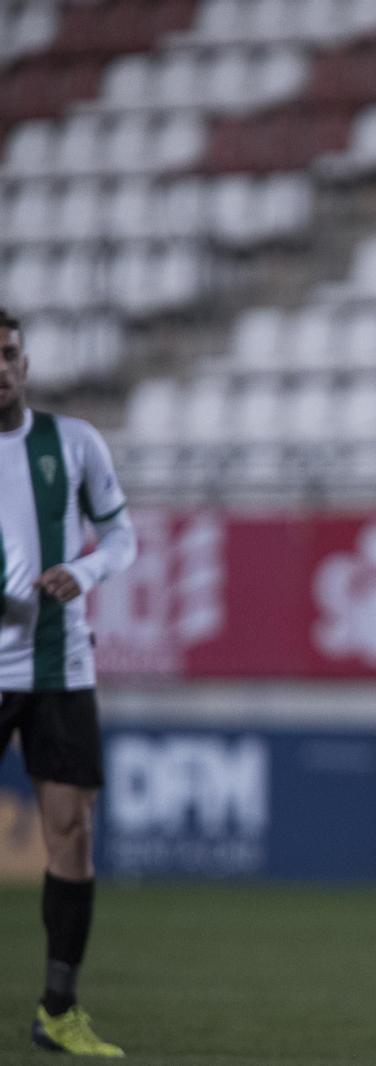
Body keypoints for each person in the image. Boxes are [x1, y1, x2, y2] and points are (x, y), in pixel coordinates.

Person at [0, 307, 137, 1057]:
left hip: (59, 664)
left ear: (24, 362)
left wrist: (80, 572)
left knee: (72, 833)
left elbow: (121, 534)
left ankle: (58, 1008)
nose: (1, 368)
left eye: (10, 354)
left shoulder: (73, 442)